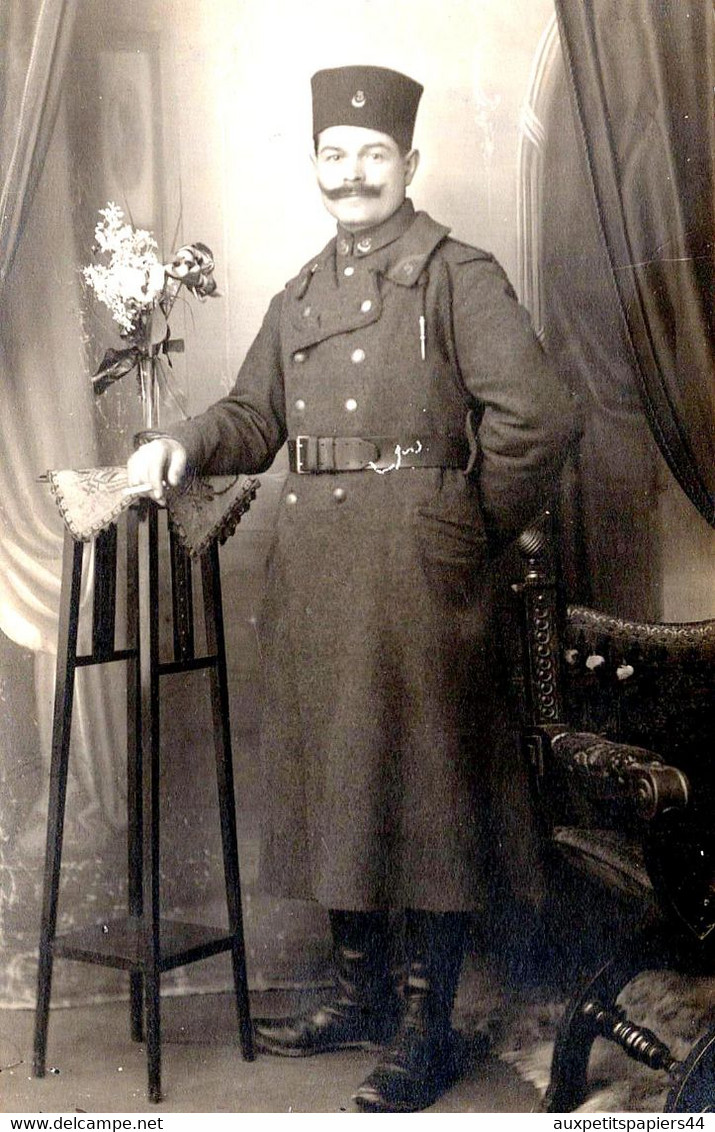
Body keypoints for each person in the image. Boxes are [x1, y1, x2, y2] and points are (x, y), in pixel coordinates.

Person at [127, 64, 576, 1112]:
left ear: (408, 165)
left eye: (374, 155)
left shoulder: (458, 275)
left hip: (419, 574)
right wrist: (180, 440)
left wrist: (462, 528)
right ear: (316, 168)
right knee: (341, 775)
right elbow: (252, 415)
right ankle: (361, 998)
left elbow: (541, 418)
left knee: (423, 790)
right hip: (317, 573)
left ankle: (424, 1028)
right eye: (335, 154)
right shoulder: (300, 293)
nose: (353, 172)